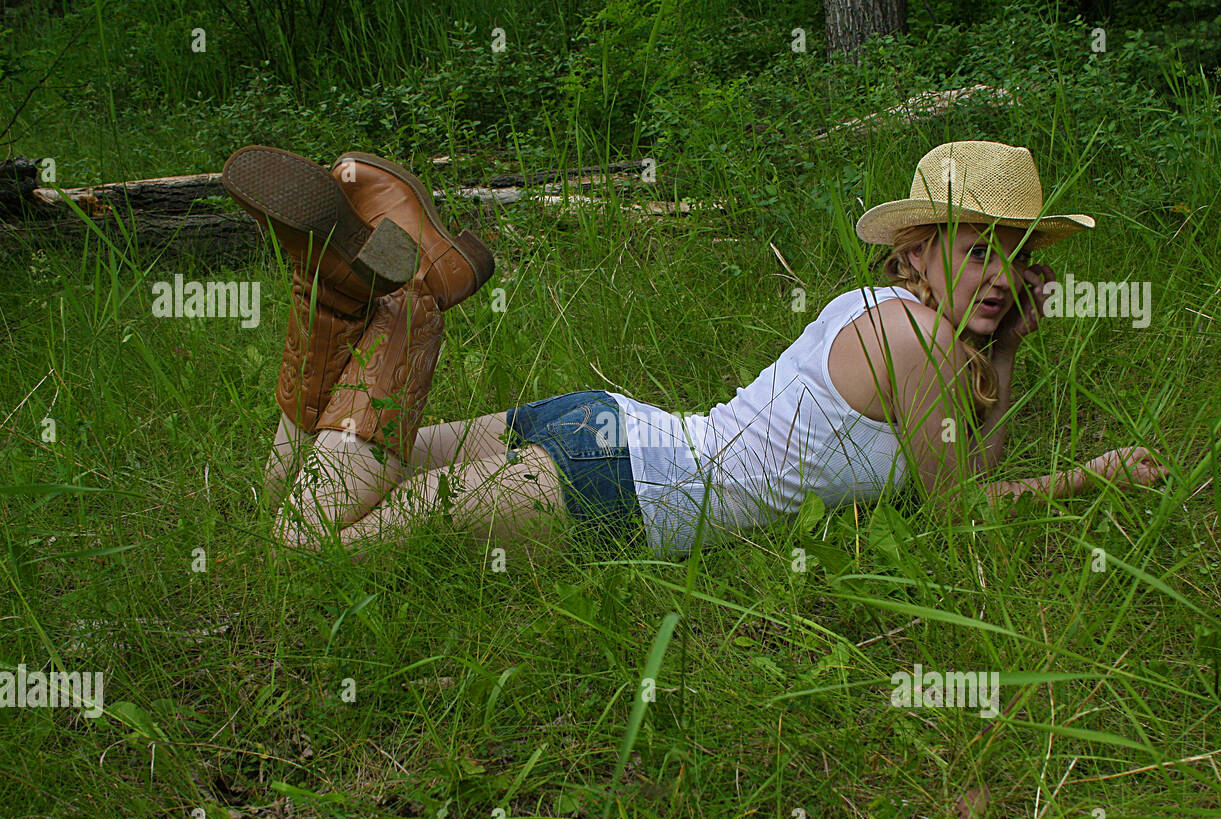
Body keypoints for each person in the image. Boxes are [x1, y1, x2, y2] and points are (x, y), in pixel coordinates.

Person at [223, 140, 1169, 561]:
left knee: (308, 488)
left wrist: (1000, 356)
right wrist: (1087, 478)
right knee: (303, 549)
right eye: (977, 249)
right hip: (611, 489)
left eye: (1017, 254)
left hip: (600, 432)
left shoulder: (878, 306)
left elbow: (958, 459)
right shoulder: (918, 338)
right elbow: (960, 512)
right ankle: (410, 312)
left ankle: (332, 302)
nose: (1001, 276)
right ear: (916, 251)